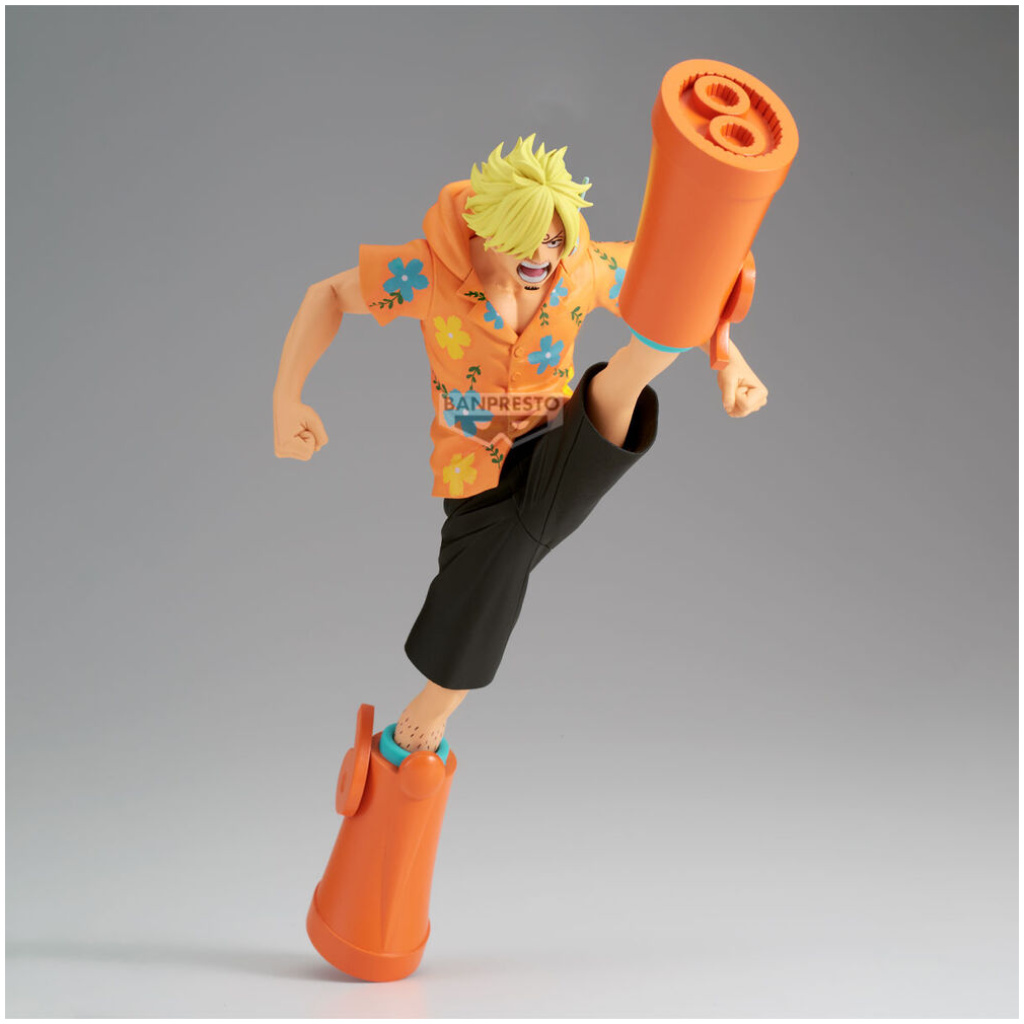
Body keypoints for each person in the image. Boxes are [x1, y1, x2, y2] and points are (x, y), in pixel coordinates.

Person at [276, 134, 768, 979]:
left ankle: (415, 730)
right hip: (475, 484)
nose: (543, 255)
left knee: (624, 378)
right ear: (486, 231)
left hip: (557, 446)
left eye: (555, 237)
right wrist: (288, 397)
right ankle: (415, 733)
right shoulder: (430, 273)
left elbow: (694, 281)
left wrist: (728, 358)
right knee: (509, 546)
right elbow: (328, 292)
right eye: (527, 240)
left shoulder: (580, 267)